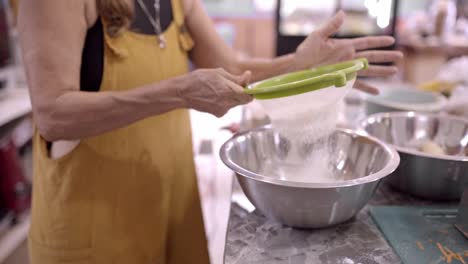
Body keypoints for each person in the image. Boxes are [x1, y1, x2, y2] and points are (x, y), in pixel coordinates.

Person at [18, 0, 403, 263]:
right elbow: (53, 112)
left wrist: (302, 63)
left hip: (171, 205)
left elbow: (232, 68)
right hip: (95, 227)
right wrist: (179, 91)